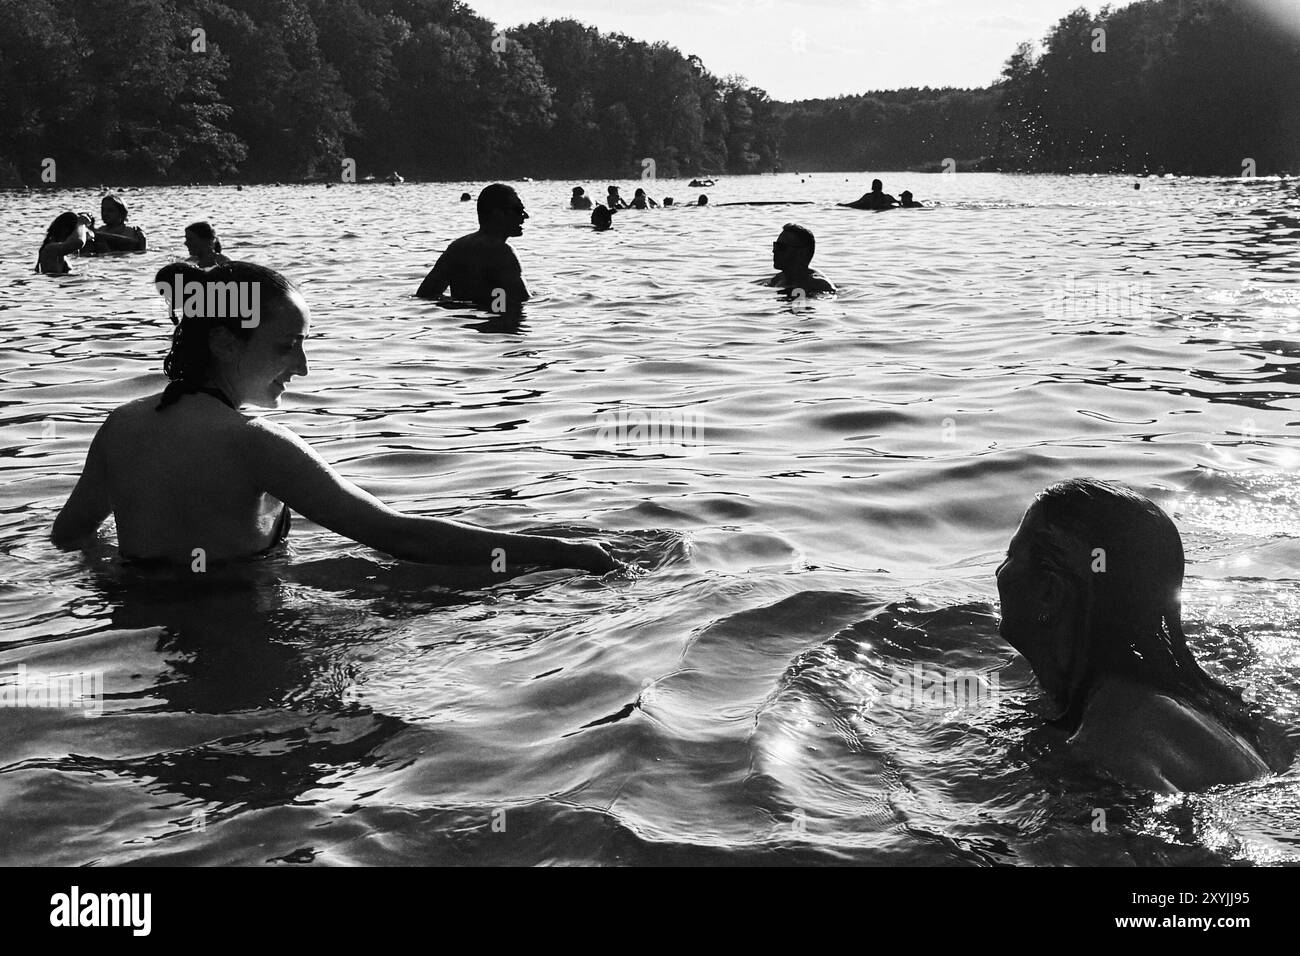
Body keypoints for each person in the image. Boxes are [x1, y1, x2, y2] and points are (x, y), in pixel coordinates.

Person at [52, 262, 617, 574]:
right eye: (286, 347)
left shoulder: (120, 425)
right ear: (225, 342)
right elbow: (395, 535)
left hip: (148, 639)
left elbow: (69, 534)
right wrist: (558, 553)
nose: (301, 366)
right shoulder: (255, 444)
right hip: (247, 636)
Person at [996, 478, 1284, 792]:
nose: (999, 572)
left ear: (1049, 593)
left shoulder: (1105, 740)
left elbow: (1157, 838)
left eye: (1010, 556)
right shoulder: (1208, 707)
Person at [415, 184, 530, 311]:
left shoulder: (457, 247)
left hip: (463, 325)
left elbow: (425, 294)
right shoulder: (503, 252)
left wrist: (455, 306)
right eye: (518, 209)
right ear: (498, 214)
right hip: (498, 322)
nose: (525, 216)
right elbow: (522, 299)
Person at [766, 223, 836, 294]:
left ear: (802, 253)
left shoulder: (820, 285)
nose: (774, 251)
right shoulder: (778, 279)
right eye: (775, 246)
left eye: (780, 247)